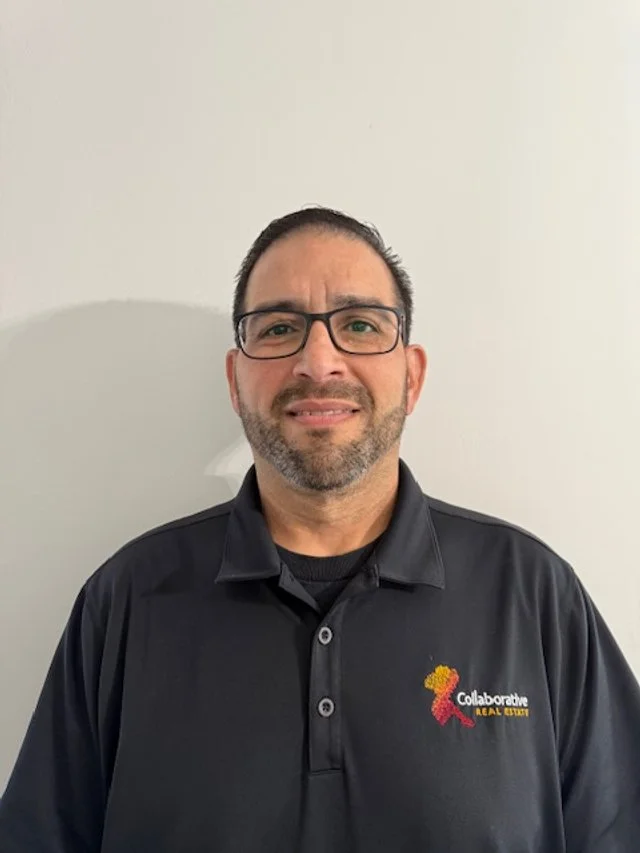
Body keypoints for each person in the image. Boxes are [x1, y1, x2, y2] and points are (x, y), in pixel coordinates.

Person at [1, 206, 639, 853]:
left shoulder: (532, 597)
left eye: (359, 324)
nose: (318, 359)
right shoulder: (127, 602)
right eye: (280, 328)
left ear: (412, 376)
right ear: (235, 380)